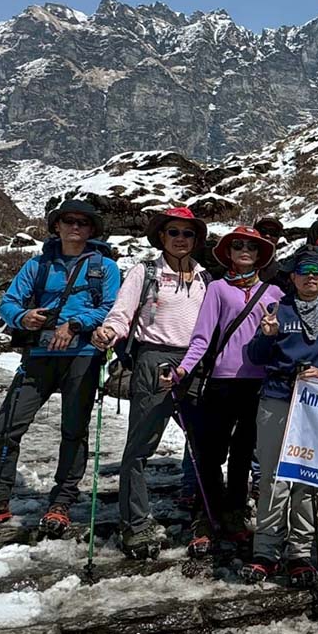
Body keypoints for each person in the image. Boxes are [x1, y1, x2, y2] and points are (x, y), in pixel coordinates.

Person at [0, 200, 119, 537]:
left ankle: (61, 501)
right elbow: (10, 303)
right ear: (56, 226)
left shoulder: (105, 268)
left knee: (73, 430)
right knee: (6, 428)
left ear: (92, 230)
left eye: (83, 222)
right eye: (68, 221)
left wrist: (74, 324)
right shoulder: (37, 265)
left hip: (83, 355)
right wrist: (23, 318)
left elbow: (109, 308)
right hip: (39, 354)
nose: (75, 227)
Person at [91, 207, 212, 558]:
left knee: (204, 443)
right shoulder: (144, 273)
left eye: (187, 234)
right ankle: (136, 523)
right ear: (161, 236)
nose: (180, 239)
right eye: (173, 232)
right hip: (153, 360)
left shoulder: (205, 278)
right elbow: (122, 313)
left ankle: (203, 517)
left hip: (193, 363)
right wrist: (109, 333)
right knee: (141, 445)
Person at [245, 245, 318, 586]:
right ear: (292, 277)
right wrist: (267, 336)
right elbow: (257, 356)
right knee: (273, 476)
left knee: (307, 478)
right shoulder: (278, 308)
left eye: (317, 272)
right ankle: (265, 550)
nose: (311, 277)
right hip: (277, 396)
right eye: (305, 270)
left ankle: (300, 552)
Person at [170, 227, 280, 558]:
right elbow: (203, 337)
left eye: (251, 246)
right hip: (221, 380)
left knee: (244, 452)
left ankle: (233, 513)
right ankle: (207, 514)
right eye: (238, 246)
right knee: (211, 450)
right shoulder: (217, 289)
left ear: (260, 255)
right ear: (229, 254)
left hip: (258, 382)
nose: (244, 250)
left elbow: (284, 340)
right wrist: (184, 369)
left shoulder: (274, 293)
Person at [254, 217, 292, 296]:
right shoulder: (235, 262)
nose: (267, 235)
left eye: (273, 232)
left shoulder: (280, 272)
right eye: (263, 231)